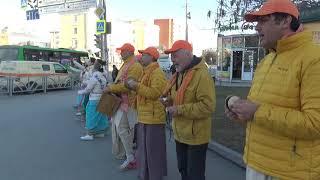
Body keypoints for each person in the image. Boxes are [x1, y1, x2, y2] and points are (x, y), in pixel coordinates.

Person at [225, 0, 320, 179]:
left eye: (263, 20)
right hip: (255, 164)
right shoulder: (266, 61)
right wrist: (242, 114)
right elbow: (259, 114)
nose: (256, 28)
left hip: (289, 172)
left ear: (285, 21)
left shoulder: (314, 59)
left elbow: (315, 123)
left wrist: (256, 112)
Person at [161, 40, 216, 180]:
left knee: (195, 175)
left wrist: (179, 110)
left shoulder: (202, 75)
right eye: (171, 56)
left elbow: (208, 106)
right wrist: (169, 101)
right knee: (183, 170)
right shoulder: (179, 74)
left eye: (175, 55)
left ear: (187, 54)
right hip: (180, 133)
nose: (172, 59)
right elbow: (179, 98)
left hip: (196, 137)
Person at [125, 47, 167, 180]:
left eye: (143, 54)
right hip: (146, 116)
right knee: (145, 150)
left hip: (153, 119)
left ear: (151, 56)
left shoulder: (157, 73)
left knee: (153, 151)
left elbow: (155, 93)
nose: (141, 57)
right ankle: (146, 174)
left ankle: (154, 176)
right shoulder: (146, 71)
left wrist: (136, 86)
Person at [104, 43, 143, 170]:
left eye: (122, 51)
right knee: (120, 128)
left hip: (129, 103)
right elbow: (121, 82)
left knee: (124, 128)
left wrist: (111, 87)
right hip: (122, 101)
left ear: (128, 52)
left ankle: (130, 157)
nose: (120, 53)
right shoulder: (127, 64)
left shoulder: (135, 66)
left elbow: (128, 85)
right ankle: (126, 155)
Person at [78, 60, 109, 140]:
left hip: (94, 99)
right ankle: (100, 132)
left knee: (91, 115)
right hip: (102, 98)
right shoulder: (103, 76)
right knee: (101, 116)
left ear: (95, 67)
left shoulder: (94, 76)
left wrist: (81, 92)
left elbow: (88, 89)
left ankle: (90, 134)